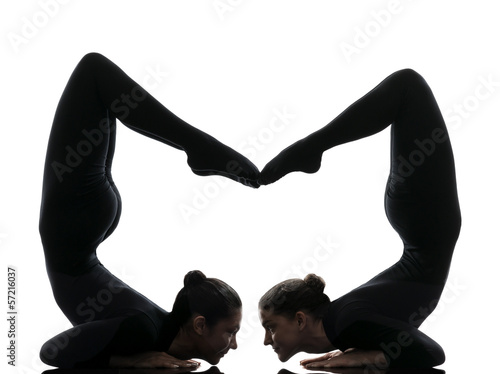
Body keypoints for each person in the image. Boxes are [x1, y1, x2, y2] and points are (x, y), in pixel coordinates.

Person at [38, 52, 254, 368]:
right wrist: (132, 362)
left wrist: (132, 362)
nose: (234, 345)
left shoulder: (148, 331)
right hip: (72, 229)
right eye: (230, 332)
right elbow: (53, 353)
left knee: (95, 75)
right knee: (93, 73)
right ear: (198, 324)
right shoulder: (143, 332)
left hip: (78, 228)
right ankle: (197, 148)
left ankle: (196, 146)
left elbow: (54, 352)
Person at [258, 69, 461, 369]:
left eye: (270, 326)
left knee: (408, 87)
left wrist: (371, 355)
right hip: (421, 221)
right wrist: (357, 349)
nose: (266, 339)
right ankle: (314, 147)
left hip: (426, 222)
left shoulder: (348, 322)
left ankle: (313, 147)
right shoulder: (345, 326)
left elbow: (432, 353)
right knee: (407, 89)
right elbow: (420, 346)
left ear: (300, 319)